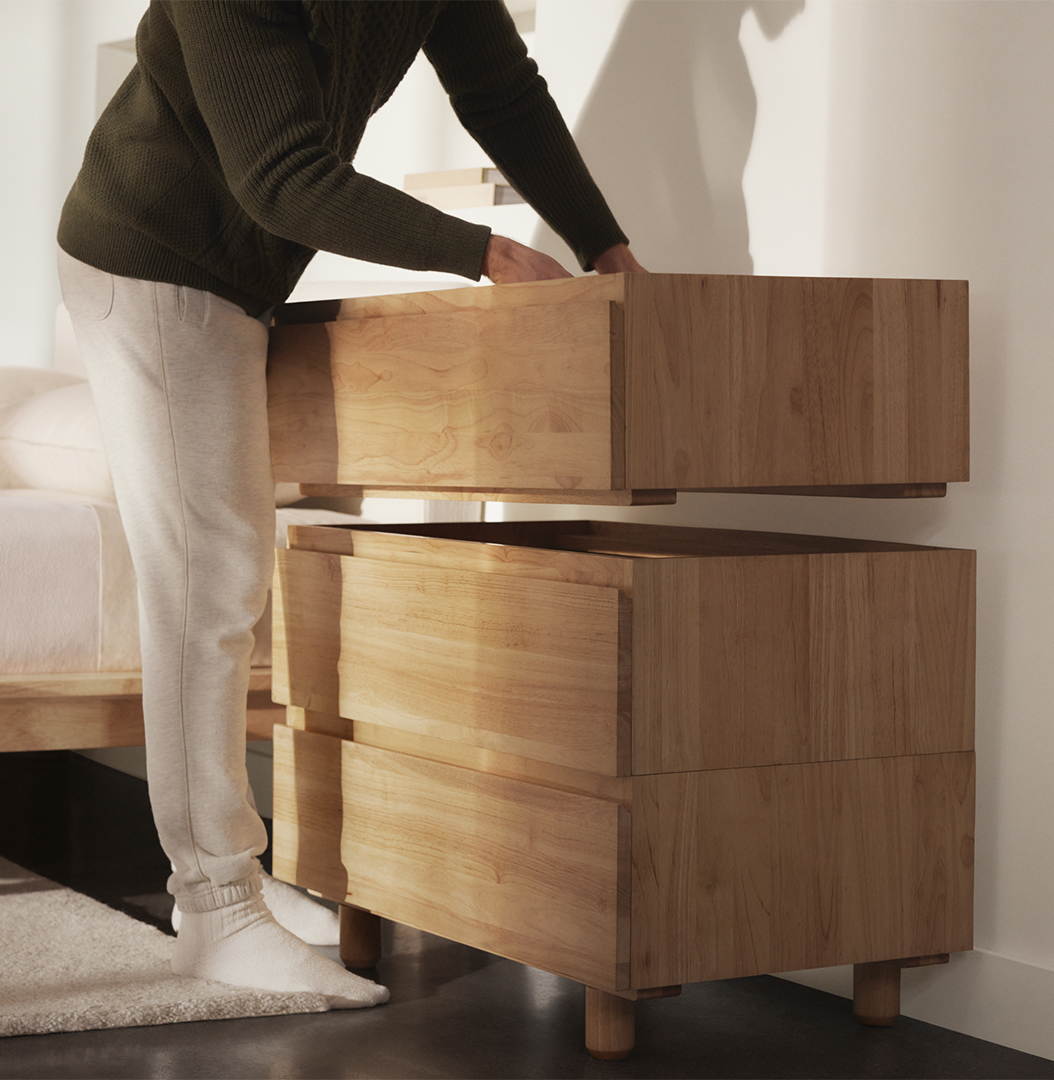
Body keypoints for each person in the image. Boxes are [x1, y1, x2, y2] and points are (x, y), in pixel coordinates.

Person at [56, 0, 643, 1009]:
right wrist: (485, 253)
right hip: (151, 257)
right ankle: (217, 910)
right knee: (210, 584)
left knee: (225, 578)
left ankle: (232, 898)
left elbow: (501, 90)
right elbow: (281, 176)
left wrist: (607, 246)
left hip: (240, 271)